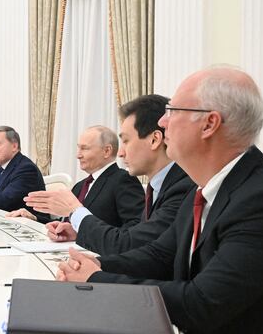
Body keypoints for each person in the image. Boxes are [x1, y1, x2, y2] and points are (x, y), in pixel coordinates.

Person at [56, 67, 263, 334]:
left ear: (209, 124)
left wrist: (99, 279)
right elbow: (160, 255)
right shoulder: (202, 187)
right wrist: (94, 264)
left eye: (173, 111)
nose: (162, 121)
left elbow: (203, 302)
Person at [43, 95, 194, 255]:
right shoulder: (160, 186)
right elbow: (142, 245)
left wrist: (75, 211)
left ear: (155, 140)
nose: (121, 153)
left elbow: (131, 244)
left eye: (126, 141)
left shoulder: (182, 187)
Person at [13, 126, 144, 226]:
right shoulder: (80, 185)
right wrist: (34, 219)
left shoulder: (123, 180)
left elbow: (133, 230)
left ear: (107, 151)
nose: (78, 155)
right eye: (78, 148)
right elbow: (67, 222)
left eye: (85, 148)